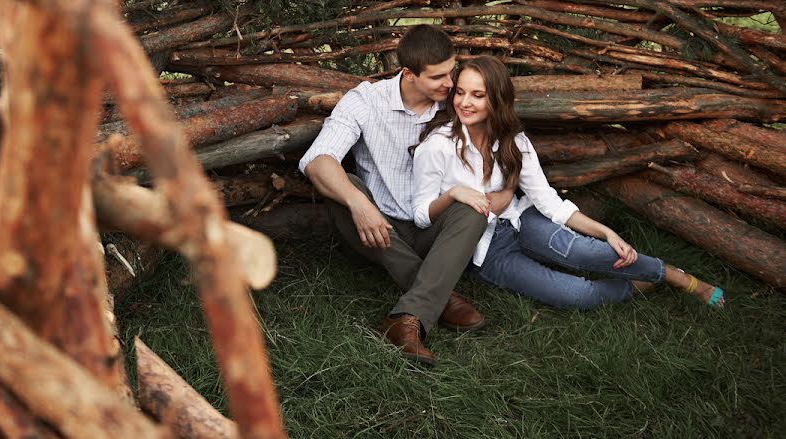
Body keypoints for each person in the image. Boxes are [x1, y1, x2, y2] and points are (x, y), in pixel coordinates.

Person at [412, 56, 725, 311]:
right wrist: (455, 194)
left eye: (478, 95)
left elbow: (548, 201)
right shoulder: (438, 147)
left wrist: (606, 232)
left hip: (521, 221)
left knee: (585, 253)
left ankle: (678, 277)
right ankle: (636, 285)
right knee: (575, 295)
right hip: (485, 250)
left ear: (497, 99)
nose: (465, 102)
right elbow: (421, 215)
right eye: (461, 92)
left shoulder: (514, 142)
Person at [299, 25, 514, 366]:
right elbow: (316, 161)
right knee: (346, 186)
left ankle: (407, 317)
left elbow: (505, 147)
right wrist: (359, 205)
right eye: (438, 77)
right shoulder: (367, 101)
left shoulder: (456, 106)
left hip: (432, 224)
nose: (450, 84)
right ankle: (439, 296)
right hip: (378, 227)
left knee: (472, 206)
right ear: (409, 74)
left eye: (451, 71)